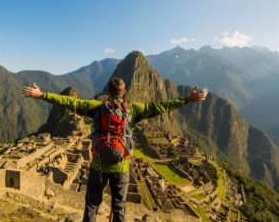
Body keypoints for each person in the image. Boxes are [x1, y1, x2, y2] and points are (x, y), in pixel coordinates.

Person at [22, 77, 208, 222]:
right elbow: (160, 106)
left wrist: (42, 95)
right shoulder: (133, 110)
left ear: (107, 92)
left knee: (92, 205)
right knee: (119, 206)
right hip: (121, 167)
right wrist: (187, 99)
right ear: (124, 92)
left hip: (99, 165)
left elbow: (70, 102)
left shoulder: (96, 107)